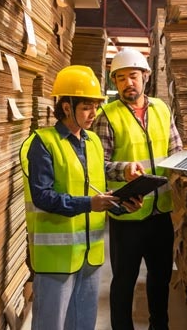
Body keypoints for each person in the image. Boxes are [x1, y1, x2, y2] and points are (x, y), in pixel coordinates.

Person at [92, 48, 187, 330]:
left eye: (132, 76)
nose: (127, 83)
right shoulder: (107, 116)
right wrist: (123, 169)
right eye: (120, 79)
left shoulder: (161, 109)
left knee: (159, 280)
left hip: (161, 213)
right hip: (127, 216)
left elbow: (176, 152)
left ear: (145, 76)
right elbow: (99, 165)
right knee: (124, 282)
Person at [20, 65, 141, 330]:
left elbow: (96, 190)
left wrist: (121, 205)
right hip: (56, 258)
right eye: (86, 107)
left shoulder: (94, 142)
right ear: (66, 106)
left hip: (90, 255)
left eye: (95, 107)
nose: (93, 114)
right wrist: (90, 204)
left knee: (83, 325)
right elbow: (43, 197)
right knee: (50, 325)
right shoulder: (42, 143)